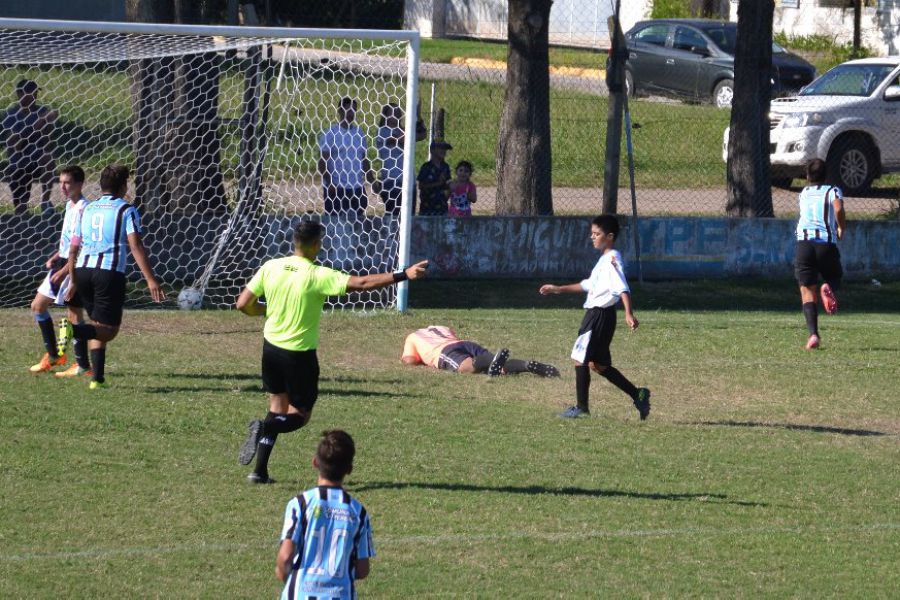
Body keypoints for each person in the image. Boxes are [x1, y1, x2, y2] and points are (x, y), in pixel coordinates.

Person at [235, 220, 428, 484]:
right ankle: (265, 428)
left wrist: (265, 311)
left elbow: (243, 303)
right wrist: (404, 274)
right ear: (316, 244)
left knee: (277, 408)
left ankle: (259, 471)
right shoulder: (316, 274)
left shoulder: (271, 267)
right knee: (299, 416)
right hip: (298, 355)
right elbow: (361, 283)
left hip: (271, 350)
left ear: (295, 241)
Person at [58, 164, 165, 389]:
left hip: (83, 271)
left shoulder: (88, 209)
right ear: (124, 186)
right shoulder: (126, 210)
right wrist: (150, 279)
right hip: (108, 273)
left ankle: (97, 379)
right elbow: (135, 246)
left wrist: (74, 280)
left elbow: (73, 247)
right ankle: (73, 329)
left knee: (98, 324)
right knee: (109, 331)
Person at [539, 214, 651, 420]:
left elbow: (622, 287)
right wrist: (558, 289)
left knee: (579, 358)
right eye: (591, 233)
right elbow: (587, 285)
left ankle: (581, 408)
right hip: (603, 316)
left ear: (609, 236)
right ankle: (638, 394)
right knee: (598, 365)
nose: (592, 237)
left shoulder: (611, 259)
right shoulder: (603, 260)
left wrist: (628, 313)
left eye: (596, 234)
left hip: (598, 315)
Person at [276, 430, 374, 600]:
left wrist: (288, 578)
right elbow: (363, 569)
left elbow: (285, 559)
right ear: (349, 469)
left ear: (315, 463)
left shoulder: (300, 504)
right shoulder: (358, 512)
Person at [28, 165, 92, 376]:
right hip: (63, 261)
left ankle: (82, 365)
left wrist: (65, 270)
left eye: (68, 183)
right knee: (38, 306)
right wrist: (57, 255)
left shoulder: (85, 208)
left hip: (73, 266)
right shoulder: (69, 206)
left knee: (74, 314)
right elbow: (69, 241)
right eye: (61, 182)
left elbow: (82, 246)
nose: (63, 187)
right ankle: (55, 355)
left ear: (80, 184)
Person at [794, 158, 845, 350]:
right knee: (835, 276)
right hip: (825, 243)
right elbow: (838, 208)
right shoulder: (833, 190)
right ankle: (828, 286)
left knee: (807, 290)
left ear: (807, 176)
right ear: (826, 175)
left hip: (804, 245)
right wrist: (841, 227)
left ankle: (813, 334)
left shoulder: (803, 193)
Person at [401, 325, 559, 377]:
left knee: (466, 367)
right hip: (465, 343)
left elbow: (410, 360)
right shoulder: (440, 327)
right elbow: (452, 335)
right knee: (496, 364)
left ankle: (490, 361)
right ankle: (526, 365)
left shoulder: (413, 337)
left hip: (443, 351)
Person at [2, 79, 58, 215]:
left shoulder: (41, 111)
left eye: (35, 93)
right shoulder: (11, 115)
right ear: (19, 94)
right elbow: (15, 144)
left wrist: (48, 125)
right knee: (21, 211)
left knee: (48, 158)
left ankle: (45, 202)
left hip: (37, 159)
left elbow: (47, 141)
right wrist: (37, 125)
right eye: (30, 93)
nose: (34, 97)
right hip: (19, 163)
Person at [317, 96, 374, 221]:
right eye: (348, 110)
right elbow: (322, 161)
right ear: (340, 111)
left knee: (357, 223)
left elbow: (364, 160)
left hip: (357, 187)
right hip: (337, 187)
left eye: (353, 110)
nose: (351, 113)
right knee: (335, 223)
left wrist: (372, 180)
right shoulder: (330, 133)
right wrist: (329, 182)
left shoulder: (359, 133)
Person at [374, 102, 425, 217]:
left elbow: (422, 135)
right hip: (392, 181)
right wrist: (412, 124)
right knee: (394, 216)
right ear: (385, 116)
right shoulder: (383, 132)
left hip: (409, 180)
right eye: (393, 112)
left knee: (408, 216)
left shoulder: (403, 130)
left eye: (398, 112)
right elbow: (401, 139)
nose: (396, 115)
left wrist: (418, 117)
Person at [416, 140, 452, 216]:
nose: (444, 151)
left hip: (442, 206)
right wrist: (438, 183)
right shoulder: (426, 167)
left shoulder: (445, 167)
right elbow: (421, 186)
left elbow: (448, 184)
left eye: (445, 149)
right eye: (441, 149)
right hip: (427, 206)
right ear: (432, 150)